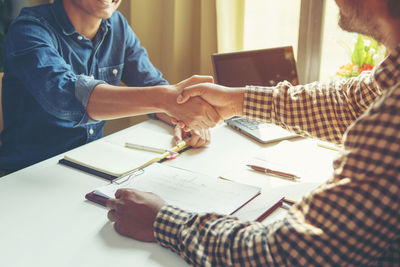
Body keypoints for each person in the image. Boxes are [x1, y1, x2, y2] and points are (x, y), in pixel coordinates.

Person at [106, 0, 400, 265]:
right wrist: (236, 100)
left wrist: (162, 221)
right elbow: (351, 103)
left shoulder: (392, 119)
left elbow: (288, 254)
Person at [0, 0, 220, 175]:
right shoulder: (29, 29)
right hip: (25, 175)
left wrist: (182, 117)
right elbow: (66, 95)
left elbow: (150, 84)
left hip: (89, 167)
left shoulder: (117, 25)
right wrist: (166, 99)